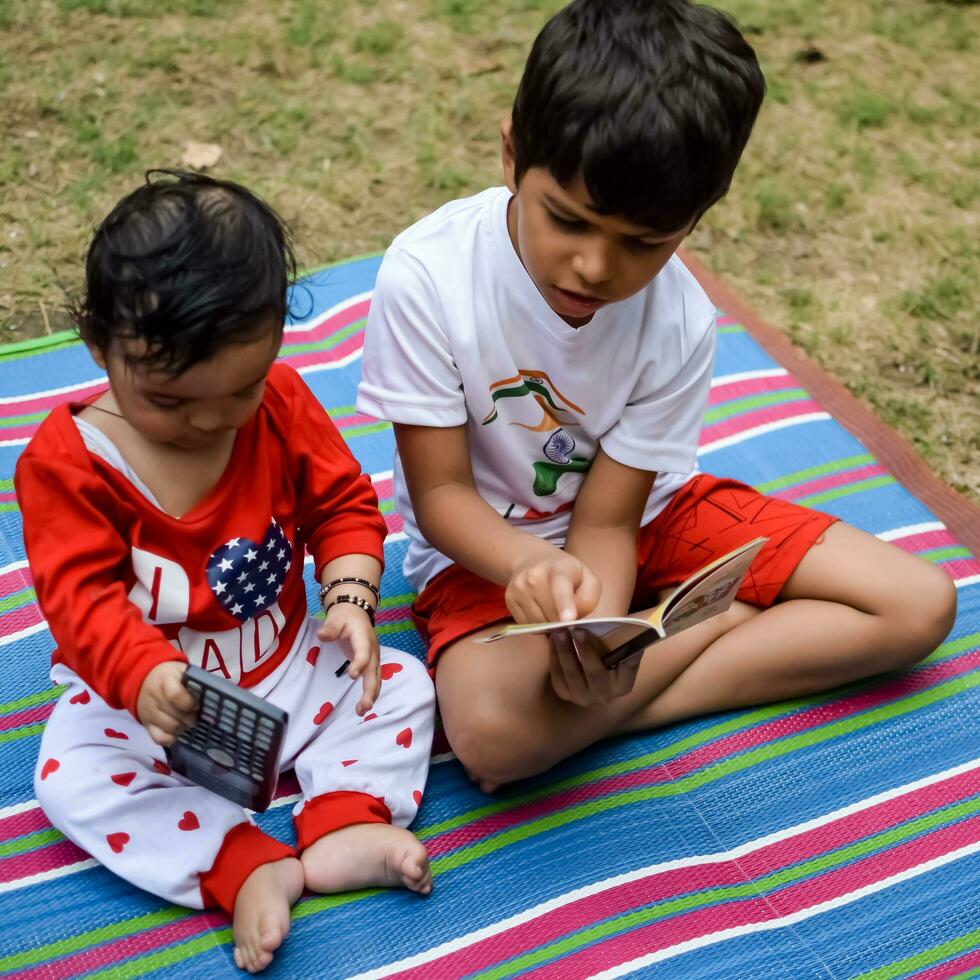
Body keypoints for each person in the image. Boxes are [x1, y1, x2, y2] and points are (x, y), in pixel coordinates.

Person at [356, 0, 956, 794]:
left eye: (644, 243)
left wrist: (602, 648)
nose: (594, 269)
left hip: (651, 521)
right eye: (566, 220)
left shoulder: (678, 316)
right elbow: (439, 496)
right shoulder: (427, 277)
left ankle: (604, 710)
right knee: (491, 736)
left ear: (695, 221)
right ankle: (710, 637)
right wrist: (535, 571)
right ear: (510, 153)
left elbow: (608, 518)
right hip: (488, 551)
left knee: (918, 604)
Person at [15, 171, 435, 974]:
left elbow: (343, 503)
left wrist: (347, 596)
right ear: (94, 342)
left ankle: (343, 823)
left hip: (286, 669)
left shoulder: (276, 401)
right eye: (170, 401)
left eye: (237, 390)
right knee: (69, 778)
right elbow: (81, 601)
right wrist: (142, 676)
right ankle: (242, 865)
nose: (209, 420)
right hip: (153, 709)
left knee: (406, 684)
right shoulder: (68, 465)